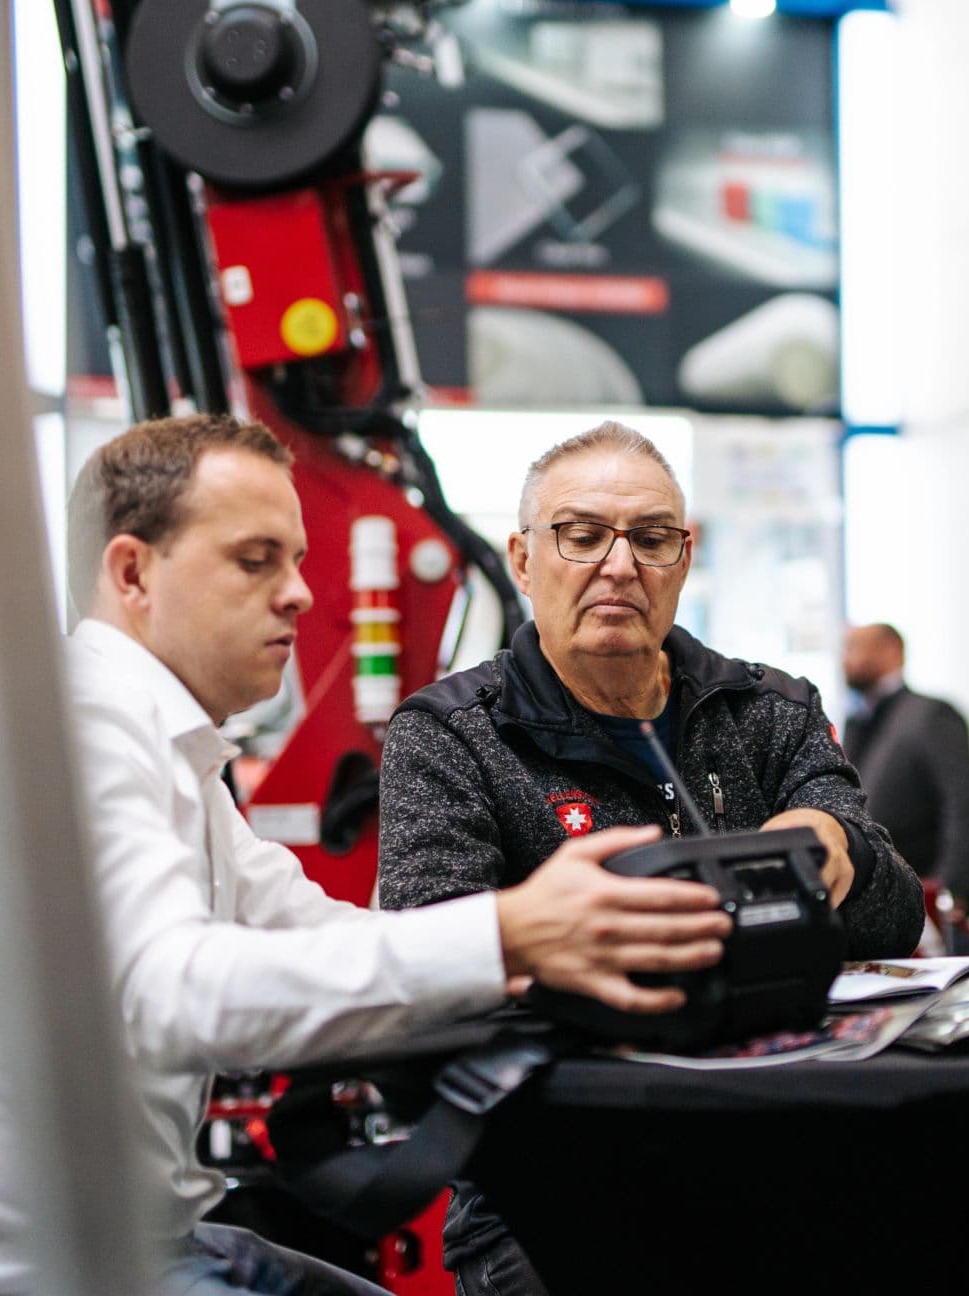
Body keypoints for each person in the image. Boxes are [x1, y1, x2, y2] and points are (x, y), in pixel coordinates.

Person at [0, 414, 732, 1296]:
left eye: (297, 559)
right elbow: (178, 995)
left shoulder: (164, 750)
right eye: (255, 560)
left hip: (142, 1242)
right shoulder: (76, 730)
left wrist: (554, 962)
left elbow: (310, 930)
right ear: (133, 573)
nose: (300, 592)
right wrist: (509, 931)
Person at [377, 420, 923, 1296]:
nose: (619, 565)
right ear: (522, 561)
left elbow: (897, 917)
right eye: (582, 535)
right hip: (560, 1176)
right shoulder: (453, 735)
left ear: (683, 557)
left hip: (783, 1139)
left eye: (651, 538)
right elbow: (431, 979)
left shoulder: (769, 710)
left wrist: (840, 847)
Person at [840, 622, 969, 916]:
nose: (845, 660)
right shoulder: (855, 722)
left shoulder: (932, 715)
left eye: (855, 648)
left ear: (892, 651)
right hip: (881, 898)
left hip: (929, 889)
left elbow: (961, 806)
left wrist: (951, 890)